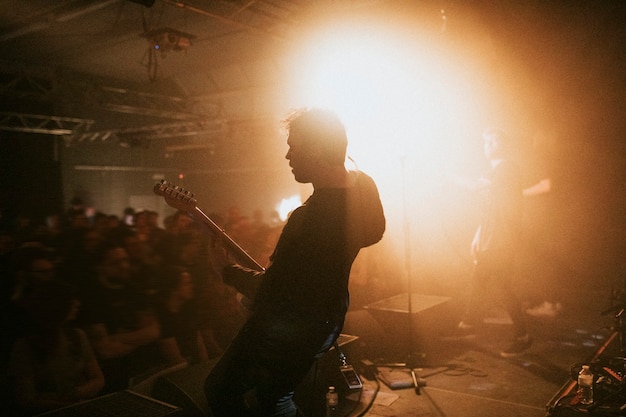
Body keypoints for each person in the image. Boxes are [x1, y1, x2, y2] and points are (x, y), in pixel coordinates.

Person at [203, 108, 386, 417]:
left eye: (293, 147)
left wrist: (226, 271)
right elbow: (375, 233)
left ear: (315, 150)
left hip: (286, 328)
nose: (288, 156)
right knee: (276, 395)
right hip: (327, 321)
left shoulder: (308, 220)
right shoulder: (363, 186)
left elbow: (270, 290)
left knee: (221, 390)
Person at [453, 127, 532, 358]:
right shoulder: (498, 172)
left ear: (504, 144)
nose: (488, 145)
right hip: (493, 238)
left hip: (502, 239)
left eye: (493, 140)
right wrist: (479, 235)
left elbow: (482, 190)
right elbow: (489, 209)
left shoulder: (506, 170)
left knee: (500, 285)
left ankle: (521, 336)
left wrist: (451, 177)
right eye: (486, 141)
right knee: (482, 280)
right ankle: (467, 325)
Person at [8, 280, 104, 415]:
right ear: (55, 306)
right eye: (70, 300)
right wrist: (68, 404)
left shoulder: (78, 336)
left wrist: (77, 393)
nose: (77, 304)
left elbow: (98, 378)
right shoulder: (25, 347)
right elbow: (26, 399)